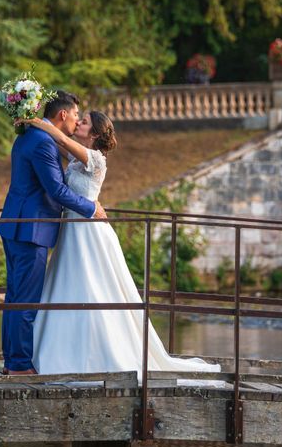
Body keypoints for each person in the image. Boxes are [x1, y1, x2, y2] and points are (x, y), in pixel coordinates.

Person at [18, 112, 220, 380]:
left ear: (95, 135)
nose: (78, 123)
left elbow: (61, 141)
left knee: (94, 288)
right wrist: (31, 126)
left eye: (85, 122)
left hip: (89, 233)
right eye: (80, 118)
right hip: (71, 232)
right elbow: (53, 147)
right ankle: (59, 350)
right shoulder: (78, 159)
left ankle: (100, 351)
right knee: (67, 286)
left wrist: (37, 122)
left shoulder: (96, 160)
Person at [0, 91, 107, 375]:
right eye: (74, 116)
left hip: (15, 224)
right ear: (62, 115)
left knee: (14, 296)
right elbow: (56, 189)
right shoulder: (43, 142)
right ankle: (20, 365)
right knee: (25, 299)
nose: (75, 121)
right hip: (32, 229)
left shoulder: (28, 135)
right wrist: (90, 208)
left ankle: (12, 360)